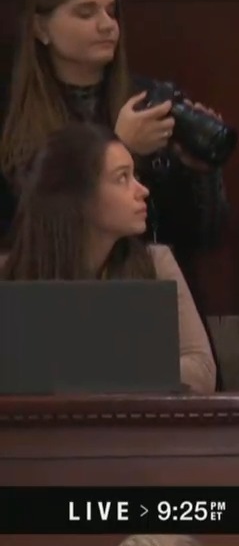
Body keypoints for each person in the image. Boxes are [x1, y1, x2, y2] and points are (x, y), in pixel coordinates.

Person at [0, 0, 230, 256]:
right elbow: (33, 231)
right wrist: (122, 148)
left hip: (141, 279)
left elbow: (203, 237)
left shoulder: (148, 100)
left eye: (111, 12)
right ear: (40, 28)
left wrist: (202, 172)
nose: (107, 26)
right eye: (86, 13)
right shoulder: (9, 110)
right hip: (46, 287)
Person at [0, 122, 217, 394]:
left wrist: (92, 370)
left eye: (134, 175)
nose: (142, 190)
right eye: (122, 178)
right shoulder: (9, 273)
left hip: (133, 431)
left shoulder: (156, 263)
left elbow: (202, 371)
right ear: (78, 197)